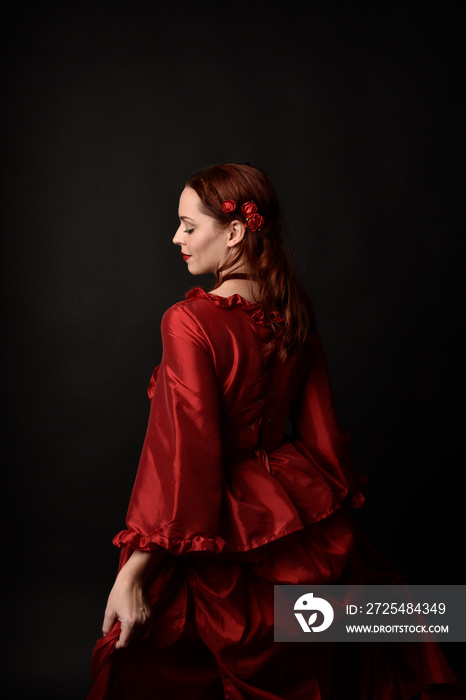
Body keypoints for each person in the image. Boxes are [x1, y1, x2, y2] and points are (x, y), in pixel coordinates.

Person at [87, 163, 463, 699]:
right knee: (357, 632)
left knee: (167, 653)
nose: (177, 238)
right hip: (295, 507)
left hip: (220, 518)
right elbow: (323, 432)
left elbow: (186, 451)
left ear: (235, 232)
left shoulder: (188, 321)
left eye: (189, 226)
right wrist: (324, 508)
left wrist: (134, 572)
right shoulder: (293, 310)